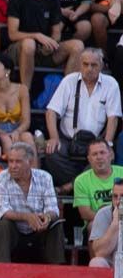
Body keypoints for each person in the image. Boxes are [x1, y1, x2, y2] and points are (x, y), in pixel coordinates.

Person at [44, 48, 121, 189]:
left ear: (102, 66)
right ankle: (82, 183)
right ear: (80, 64)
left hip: (95, 141)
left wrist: (108, 144)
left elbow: (113, 118)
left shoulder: (111, 84)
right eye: (85, 64)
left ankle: (68, 187)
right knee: (51, 152)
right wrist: (54, 137)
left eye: (94, 65)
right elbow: (51, 112)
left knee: (104, 157)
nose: (89, 69)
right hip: (68, 141)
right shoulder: (69, 81)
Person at [7, 0, 83, 91]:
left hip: (44, 49)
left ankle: (66, 96)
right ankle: (25, 93)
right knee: (29, 44)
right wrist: (36, 36)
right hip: (20, 49)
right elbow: (12, 34)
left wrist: (53, 42)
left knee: (77, 45)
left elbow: (56, 31)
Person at [0, 142, 65, 263]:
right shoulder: (2, 178)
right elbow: (2, 210)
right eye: (10, 161)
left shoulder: (45, 177)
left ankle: (57, 271)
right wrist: (27, 217)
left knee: (56, 224)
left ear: (30, 162)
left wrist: (46, 217)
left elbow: (53, 209)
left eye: (18, 161)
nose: (13, 166)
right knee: (3, 225)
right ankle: (1, 269)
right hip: (14, 231)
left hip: (40, 231)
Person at [0, 53, 37, 178]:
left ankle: (34, 178)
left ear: (7, 70)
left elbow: (26, 120)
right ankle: (13, 178)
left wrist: (17, 131)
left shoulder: (22, 90)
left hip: (18, 128)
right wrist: (4, 134)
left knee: (27, 136)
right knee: (6, 140)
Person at [71, 138, 123, 227]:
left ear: (111, 155)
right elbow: (85, 214)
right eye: (94, 154)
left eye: (102, 152)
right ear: (89, 159)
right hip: (97, 222)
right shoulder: (81, 181)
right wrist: (110, 221)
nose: (99, 157)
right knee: (92, 225)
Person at [88, 180, 120, 268]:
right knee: (96, 262)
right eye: (115, 196)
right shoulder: (103, 214)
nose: (118, 202)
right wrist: (115, 224)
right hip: (110, 265)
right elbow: (99, 252)